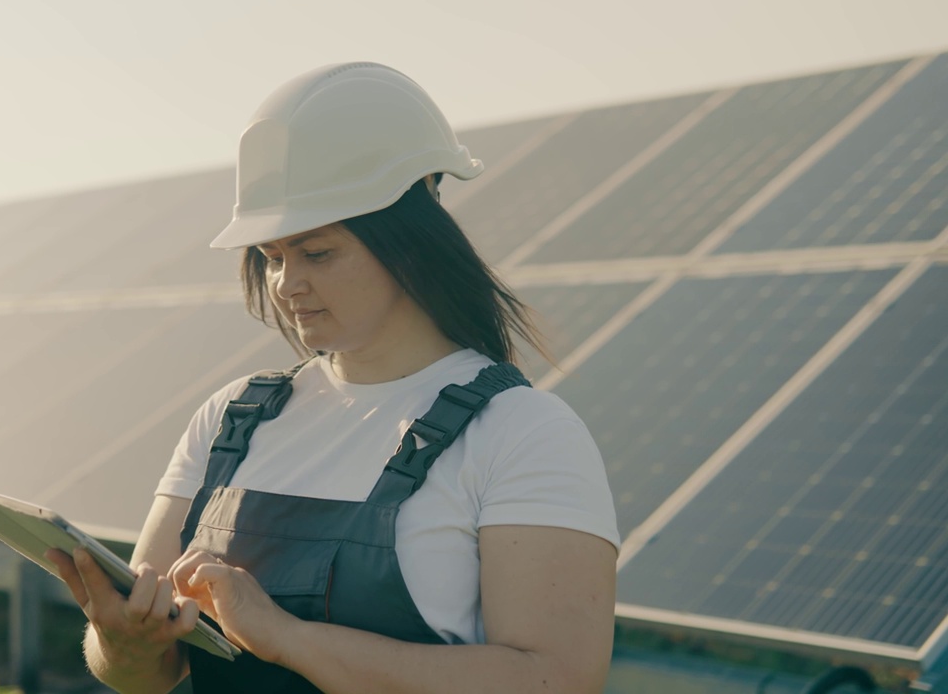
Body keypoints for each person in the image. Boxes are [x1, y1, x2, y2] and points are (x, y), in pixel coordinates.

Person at [47, 62, 620, 693]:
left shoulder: (522, 433)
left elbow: (558, 680)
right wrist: (119, 641)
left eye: (317, 252)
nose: (287, 284)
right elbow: (141, 673)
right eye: (272, 257)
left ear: (412, 241)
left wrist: (288, 638)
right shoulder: (231, 418)